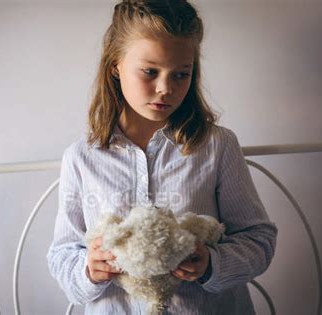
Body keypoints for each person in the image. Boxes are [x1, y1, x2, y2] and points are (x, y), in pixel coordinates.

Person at [47, 1, 277, 314]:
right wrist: (89, 269)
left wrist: (212, 263)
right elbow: (62, 254)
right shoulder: (81, 158)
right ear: (116, 64)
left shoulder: (217, 146)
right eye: (150, 72)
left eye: (181, 74)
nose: (165, 89)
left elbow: (258, 239)